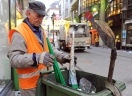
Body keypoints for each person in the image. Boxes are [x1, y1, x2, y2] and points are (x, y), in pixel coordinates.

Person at [7, 1, 77, 96]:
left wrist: (62, 57)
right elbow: (14, 59)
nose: (40, 19)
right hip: (30, 86)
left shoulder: (41, 30)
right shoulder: (19, 33)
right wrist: (37, 58)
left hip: (45, 80)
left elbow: (50, 48)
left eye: (42, 16)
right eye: (38, 16)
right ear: (28, 13)